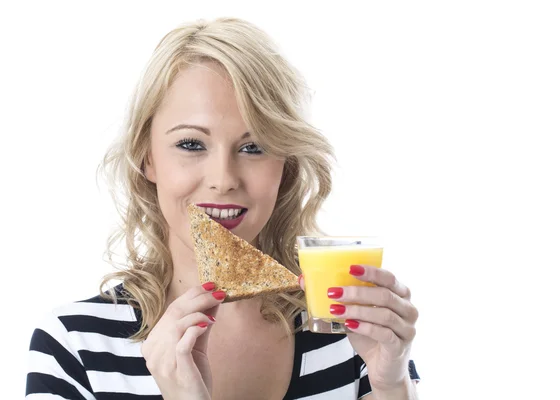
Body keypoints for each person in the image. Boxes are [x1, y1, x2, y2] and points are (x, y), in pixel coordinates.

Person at [26, 17, 420, 400]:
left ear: (285, 167)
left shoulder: (348, 329)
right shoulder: (74, 343)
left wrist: (391, 386)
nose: (223, 178)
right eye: (191, 144)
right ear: (147, 158)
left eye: (254, 147)